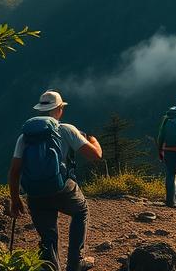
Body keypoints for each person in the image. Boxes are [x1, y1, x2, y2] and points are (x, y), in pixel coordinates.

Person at [7, 90, 103, 271]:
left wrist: (15, 199)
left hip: (35, 193)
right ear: (59, 109)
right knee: (81, 211)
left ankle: (52, 268)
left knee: (48, 237)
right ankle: (75, 263)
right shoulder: (66, 129)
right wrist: (94, 141)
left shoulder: (25, 136)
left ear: (40, 110)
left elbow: (14, 171)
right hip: (62, 189)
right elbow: (95, 155)